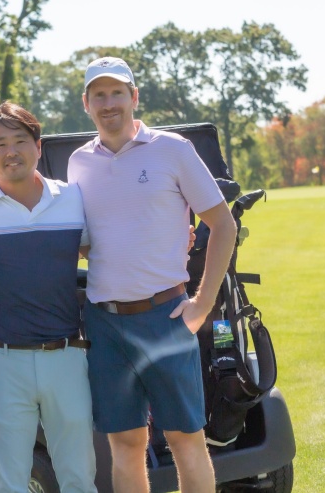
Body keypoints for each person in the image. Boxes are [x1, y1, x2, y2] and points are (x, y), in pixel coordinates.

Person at [68, 57, 238, 493]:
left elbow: (223, 225)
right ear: (87, 103)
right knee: (125, 441)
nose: (109, 103)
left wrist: (201, 304)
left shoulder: (173, 149)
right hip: (104, 323)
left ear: (134, 97)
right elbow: (91, 240)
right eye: (99, 95)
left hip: (165, 316)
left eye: (117, 93)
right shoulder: (77, 163)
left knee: (186, 439)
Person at [0, 102, 97, 493]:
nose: (11, 151)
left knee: (79, 478)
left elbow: (97, 251)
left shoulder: (73, 199)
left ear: (38, 146)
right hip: (1, 362)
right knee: (8, 483)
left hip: (67, 357)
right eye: (0, 144)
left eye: (20, 141)